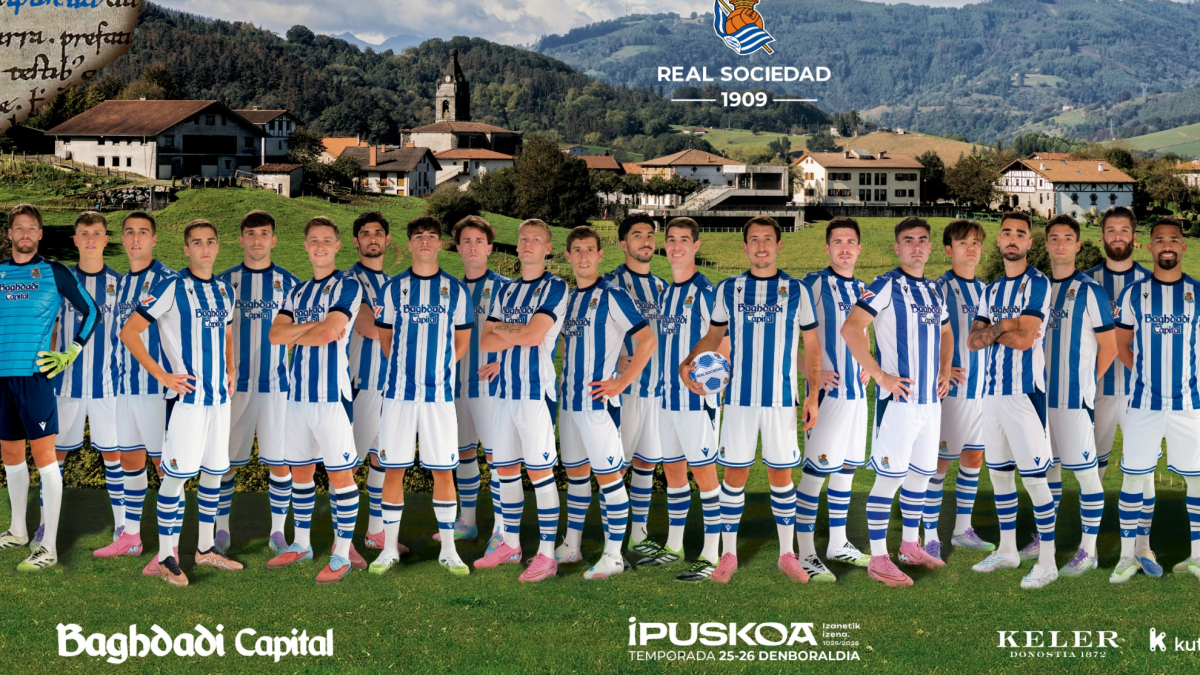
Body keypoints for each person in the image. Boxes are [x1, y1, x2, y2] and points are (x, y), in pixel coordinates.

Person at [680, 215, 821, 584]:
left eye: (767, 239)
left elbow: (812, 346)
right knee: (734, 476)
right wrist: (689, 362)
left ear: (779, 245)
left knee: (781, 476)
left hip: (781, 400)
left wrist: (813, 395)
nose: (761, 246)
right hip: (739, 401)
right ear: (744, 247)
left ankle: (787, 554)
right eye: (754, 239)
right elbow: (713, 337)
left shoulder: (797, 290)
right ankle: (728, 554)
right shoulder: (729, 289)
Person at [120, 219, 237, 586]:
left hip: (220, 401)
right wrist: (162, 375)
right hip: (186, 401)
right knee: (175, 477)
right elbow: (129, 332)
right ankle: (166, 558)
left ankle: (205, 549)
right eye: (197, 242)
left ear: (218, 247)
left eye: (210, 241)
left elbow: (228, 332)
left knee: (214, 473)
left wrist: (232, 367)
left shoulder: (225, 291)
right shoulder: (171, 286)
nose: (205, 248)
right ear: (186, 249)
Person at [841, 216, 953, 587]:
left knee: (920, 476)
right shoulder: (885, 284)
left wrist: (945, 368)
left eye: (922, 240)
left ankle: (909, 547)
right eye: (908, 240)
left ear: (930, 247)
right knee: (889, 480)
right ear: (897, 247)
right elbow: (851, 328)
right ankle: (878, 559)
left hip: (930, 404)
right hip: (899, 402)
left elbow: (947, 332)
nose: (916, 246)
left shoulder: (935, 291)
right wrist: (878, 375)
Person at [369, 216, 474, 576]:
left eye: (431, 236)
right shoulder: (392, 289)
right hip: (398, 396)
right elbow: (386, 338)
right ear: (410, 244)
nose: (425, 241)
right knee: (393, 471)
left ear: (440, 244)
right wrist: (406, 369)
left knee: (444, 472)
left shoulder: (456, 290)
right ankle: (388, 549)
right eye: (418, 236)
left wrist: (438, 367)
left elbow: (462, 341)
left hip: (439, 398)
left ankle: (449, 551)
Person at [266, 216, 366, 584]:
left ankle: (341, 555)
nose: (320, 246)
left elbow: (328, 333)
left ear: (337, 246)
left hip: (330, 397)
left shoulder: (348, 285)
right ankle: (302, 544)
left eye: (327, 240)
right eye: (313, 240)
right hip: (297, 397)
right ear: (306, 246)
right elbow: (275, 336)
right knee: (301, 473)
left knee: (340, 476)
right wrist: (315, 328)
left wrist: (302, 332)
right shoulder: (296, 292)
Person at [0, 204, 97, 572]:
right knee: (11, 456)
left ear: (40, 234)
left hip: (35, 378)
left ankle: (49, 548)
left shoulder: (54, 272)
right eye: (19, 228)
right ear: (9, 233)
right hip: (2, 379)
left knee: (45, 459)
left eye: (32, 228)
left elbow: (91, 311)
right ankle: (18, 531)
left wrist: (70, 352)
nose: (25, 234)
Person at [967, 211, 1058, 589]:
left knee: (1035, 481)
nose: (1013, 238)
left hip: (1024, 394)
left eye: (1021, 233)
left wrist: (996, 328)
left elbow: (1023, 342)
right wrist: (1007, 325)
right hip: (990, 395)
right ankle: (1007, 551)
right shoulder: (990, 291)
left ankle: (1048, 563)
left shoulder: (1038, 283)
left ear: (1029, 243)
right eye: (1007, 232)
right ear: (1000, 240)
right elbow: (973, 342)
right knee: (1000, 476)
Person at [474, 219, 568, 583]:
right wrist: (518, 332)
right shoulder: (507, 291)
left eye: (537, 239)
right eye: (524, 238)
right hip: (503, 393)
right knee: (505, 470)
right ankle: (510, 545)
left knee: (539, 473)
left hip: (534, 393)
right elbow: (486, 341)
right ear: (516, 246)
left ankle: (546, 554)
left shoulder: (555, 286)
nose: (529, 243)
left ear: (548, 248)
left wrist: (506, 330)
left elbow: (533, 336)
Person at [557, 226, 652, 579]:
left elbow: (647, 340)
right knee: (576, 477)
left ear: (600, 255)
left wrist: (622, 382)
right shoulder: (568, 299)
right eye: (577, 250)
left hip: (599, 405)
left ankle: (613, 556)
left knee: (609, 478)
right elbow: (566, 344)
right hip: (569, 405)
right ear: (568, 256)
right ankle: (572, 545)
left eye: (589, 250)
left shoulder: (612, 295)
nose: (583, 256)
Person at [1112, 218, 1197, 582]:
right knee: (1133, 480)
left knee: (1197, 482)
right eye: (1160, 240)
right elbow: (1121, 345)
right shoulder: (1134, 293)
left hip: (1190, 406)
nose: (1167, 245)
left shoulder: (1197, 293)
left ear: (1183, 247)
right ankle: (1127, 557)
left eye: (1173, 240)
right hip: (1143, 405)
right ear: (1149, 247)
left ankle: (1197, 557)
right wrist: (1145, 375)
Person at [647, 217, 728, 582]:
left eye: (684, 240)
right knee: (674, 472)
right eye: (671, 239)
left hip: (696, 402)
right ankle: (675, 545)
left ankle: (711, 554)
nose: (676, 246)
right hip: (666, 398)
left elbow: (725, 344)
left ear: (696, 246)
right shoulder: (665, 294)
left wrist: (712, 384)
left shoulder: (707, 292)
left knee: (705, 476)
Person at [794, 217, 872, 581]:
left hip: (857, 397)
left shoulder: (865, 290)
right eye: (837, 242)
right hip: (827, 396)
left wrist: (869, 366)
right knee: (815, 473)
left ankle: (838, 544)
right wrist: (809, 372)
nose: (844, 248)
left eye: (850, 242)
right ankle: (805, 553)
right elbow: (785, 337)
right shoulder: (811, 285)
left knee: (846, 470)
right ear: (827, 248)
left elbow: (863, 334)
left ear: (859, 249)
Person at [217, 211, 299, 556]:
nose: (257, 240)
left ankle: (277, 533)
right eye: (250, 234)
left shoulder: (291, 283)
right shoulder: (223, 283)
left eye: (264, 234)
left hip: (276, 387)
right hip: (232, 388)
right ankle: (221, 532)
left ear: (273, 240)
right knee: (223, 463)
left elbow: (301, 332)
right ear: (240, 240)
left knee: (280, 462)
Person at [99, 212, 177, 571]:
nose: (135, 238)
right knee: (130, 461)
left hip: (156, 390)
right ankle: (131, 537)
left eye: (143, 232)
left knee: (165, 468)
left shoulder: (167, 280)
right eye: (129, 232)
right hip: (124, 388)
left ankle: (169, 550)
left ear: (154, 239)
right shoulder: (119, 284)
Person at [1043, 214, 1116, 577]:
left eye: (1067, 238)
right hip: (1039, 402)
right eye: (1054, 238)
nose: (1061, 244)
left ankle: (1088, 550)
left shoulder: (1090, 290)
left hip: (1074, 402)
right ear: (1046, 245)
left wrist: (1086, 382)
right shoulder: (1037, 289)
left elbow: (1110, 347)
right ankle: (1045, 541)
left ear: (1078, 245)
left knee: (1087, 477)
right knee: (1048, 473)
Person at [1086, 206, 1155, 556]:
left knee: (1143, 473)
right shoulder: (1084, 282)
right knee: (1091, 472)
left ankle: (1142, 547)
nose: (1117, 236)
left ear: (1134, 237)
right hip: (1095, 392)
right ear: (1101, 236)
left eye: (1123, 230)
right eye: (1111, 230)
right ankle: (1089, 548)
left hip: (1140, 396)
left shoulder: (1152, 283)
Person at [52, 213, 123, 544]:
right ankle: (47, 526)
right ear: (75, 240)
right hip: (64, 386)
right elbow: (51, 331)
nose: (91, 239)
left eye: (97, 233)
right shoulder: (59, 282)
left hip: (108, 387)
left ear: (106, 240)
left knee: (114, 459)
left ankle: (123, 528)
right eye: (84, 233)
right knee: (54, 458)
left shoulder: (120, 285)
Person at [925, 219, 994, 557]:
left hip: (983, 392)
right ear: (948, 250)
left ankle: (962, 530)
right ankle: (928, 536)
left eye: (976, 243)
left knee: (974, 457)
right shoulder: (937, 289)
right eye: (963, 242)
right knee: (938, 464)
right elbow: (924, 334)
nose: (971, 248)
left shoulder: (989, 291)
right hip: (952, 394)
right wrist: (941, 368)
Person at [443, 215, 510, 553]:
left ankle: (502, 529)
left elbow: (529, 333)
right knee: (464, 454)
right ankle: (467, 522)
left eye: (479, 241)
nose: (472, 247)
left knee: (499, 459)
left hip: (490, 387)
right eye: (466, 241)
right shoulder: (449, 290)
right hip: (456, 387)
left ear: (490, 248)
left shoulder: (507, 288)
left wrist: (504, 361)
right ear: (457, 248)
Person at [603, 214, 668, 560]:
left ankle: (638, 536)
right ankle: (610, 545)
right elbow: (586, 334)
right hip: (623, 393)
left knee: (646, 464)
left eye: (650, 235)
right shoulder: (609, 285)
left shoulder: (662, 287)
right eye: (637, 235)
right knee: (616, 467)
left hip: (656, 392)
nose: (646, 240)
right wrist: (615, 360)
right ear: (623, 243)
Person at [346, 212, 393, 552]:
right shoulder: (348, 281)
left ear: (387, 240)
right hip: (361, 383)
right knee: (347, 466)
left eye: (378, 233)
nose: (372, 238)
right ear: (356, 241)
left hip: (391, 387)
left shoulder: (394, 284)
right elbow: (368, 328)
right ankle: (342, 543)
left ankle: (376, 533)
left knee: (383, 460)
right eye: (365, 233)